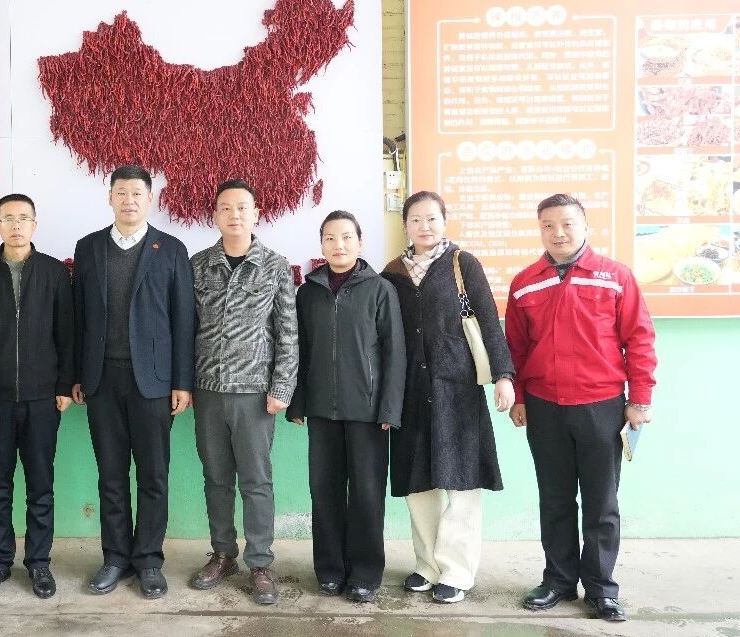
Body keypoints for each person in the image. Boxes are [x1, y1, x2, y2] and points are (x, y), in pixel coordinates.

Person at [506, 193, 656, 623]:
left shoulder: (615, 277)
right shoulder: (525, 282)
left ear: (585, 226)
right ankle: (558, 580)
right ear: (540, 230)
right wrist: (519, 398)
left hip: (601, 406)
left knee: (601, 502)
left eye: (567, 224)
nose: (558, 233)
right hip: (545, 407)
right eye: (548, 225)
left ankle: (601, 588)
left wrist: (639, 400)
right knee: (554, 498)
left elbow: (639, 339)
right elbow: (516, 347)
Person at [381, 191, 515, 605]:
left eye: (432, 218)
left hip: (457, 389)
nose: (424, 226)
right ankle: (427, 564)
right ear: (405, 224)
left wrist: (504, 375)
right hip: (409, 393)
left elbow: (488, 320)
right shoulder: (391, 273)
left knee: (461, 482)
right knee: (417, 482)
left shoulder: (462, 264)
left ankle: (456, 570)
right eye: (416, 219)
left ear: (444, 220)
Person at [71, 164, 195, 599]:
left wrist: (182, 381)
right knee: (111, 475)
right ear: (110, 198)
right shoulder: (88, 248)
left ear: (150, 199)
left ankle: (149, 561)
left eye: (137, 193)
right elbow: (78, 316)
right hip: (102, 379)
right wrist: (77, 374)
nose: (129, 200)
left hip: (154, 382)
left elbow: (183, 319)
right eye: (121, 192)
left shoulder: (171, 249)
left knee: (153, 475)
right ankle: (115, 558)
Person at [187, 179, 297, 606]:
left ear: (256, 214)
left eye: (242, 207)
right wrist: (185, 384)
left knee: (256, 481)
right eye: (225, 208)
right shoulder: (199, 265)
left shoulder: (274, 266)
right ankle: (222, 554)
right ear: (215, 215)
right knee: (216, 478)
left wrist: (282, 386)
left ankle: (260, 563)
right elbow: (187, 328)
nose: (234, 215)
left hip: (255, 393)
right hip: (208, 390)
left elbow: (287, 332)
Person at [288, 210, 405, 603]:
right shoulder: (308, 292)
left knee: (367, 495)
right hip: (321, 409)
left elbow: (395, 353)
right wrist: (299, 402)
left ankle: (365, 574)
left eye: (346, 237)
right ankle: (330, 570)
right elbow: (301, 351)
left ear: (360, 242)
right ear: (321, 244)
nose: (338, 245)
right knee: (324, 492)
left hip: (368, 412)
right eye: (330, 238)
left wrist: (389, 409)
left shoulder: (380, 289)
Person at [0, 193, 74, 600]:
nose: (16, 225)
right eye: (7, 218)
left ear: (34, 225)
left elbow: (67, 333)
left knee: (41, 485)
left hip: (43, 400)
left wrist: (63, 385)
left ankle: (39, 563)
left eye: (23, 218)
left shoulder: (54, 272)